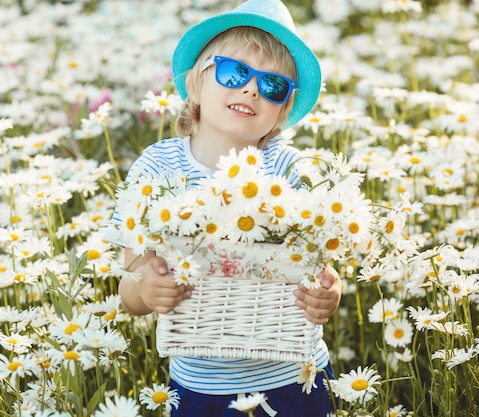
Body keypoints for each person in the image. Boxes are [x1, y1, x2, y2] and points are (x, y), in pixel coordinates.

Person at [108, 0, 342, 415]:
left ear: (281, 113)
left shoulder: (289, 168)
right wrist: (147, 289)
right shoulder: (157, 168)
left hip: (294, 376)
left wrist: (329, 291)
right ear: (196, 84)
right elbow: (130, 280)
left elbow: (319, 262)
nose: (251, 89)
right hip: (200, 387)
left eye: (272, 86)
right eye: (235, 73)